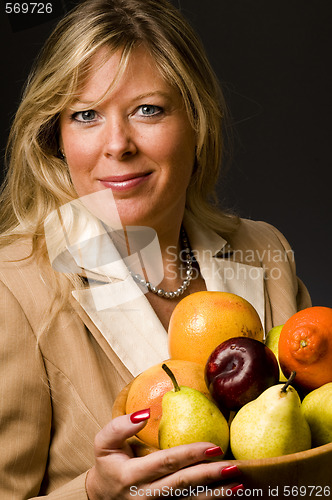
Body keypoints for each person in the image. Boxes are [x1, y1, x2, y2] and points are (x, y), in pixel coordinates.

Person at [0, 0, 311, 498]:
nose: (118, 143)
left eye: (148, 109)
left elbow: (316, 455)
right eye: (85, 115)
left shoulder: (263, 248)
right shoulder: (11, 286)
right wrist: (92, 493)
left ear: (196, 120)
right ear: (56, 138)